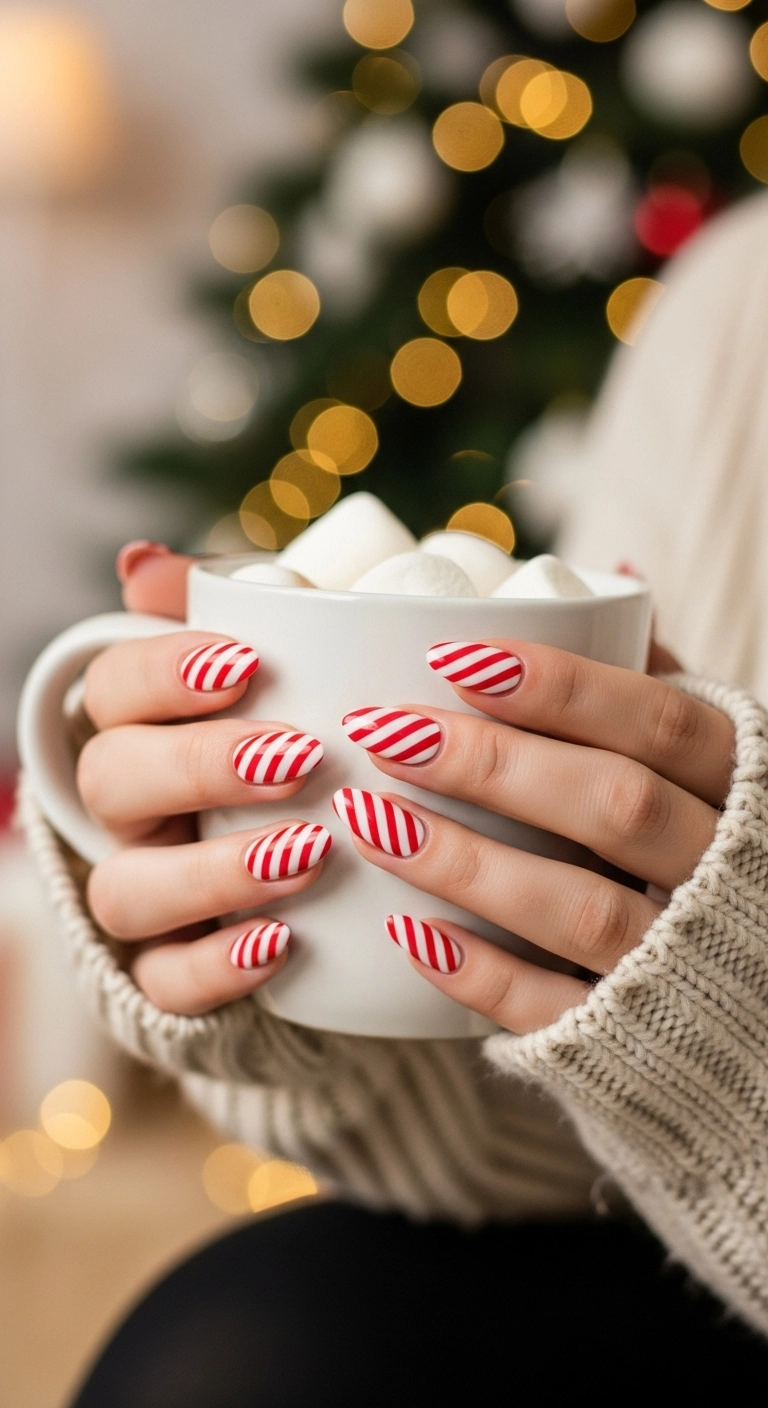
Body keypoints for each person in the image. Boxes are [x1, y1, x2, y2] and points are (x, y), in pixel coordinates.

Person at [20, 191, 768, 1405]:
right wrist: (280, 943)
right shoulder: (741, 307)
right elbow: (547, 1153)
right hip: (689, 1254)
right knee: (246, 1348)